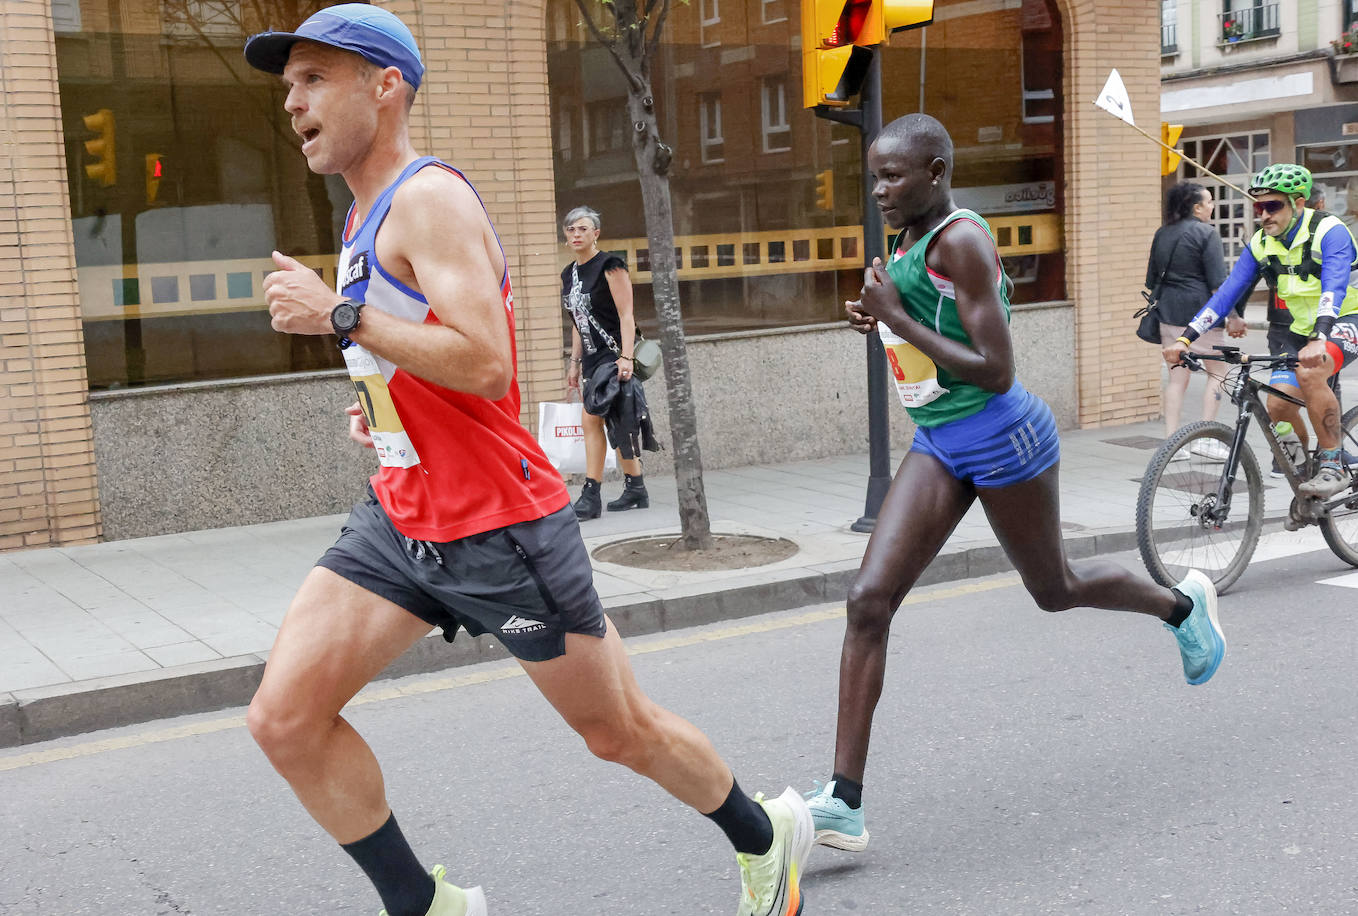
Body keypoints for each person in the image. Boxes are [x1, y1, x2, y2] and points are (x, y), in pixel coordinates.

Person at [241, 7, 812, 916]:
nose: (293, 104)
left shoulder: (428, 198)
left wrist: (341, 316)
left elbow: (487, 362)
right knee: (284, 718)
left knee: (617, 730)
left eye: (313, 80)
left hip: (499, 527)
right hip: (403, 514)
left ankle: (766, 835)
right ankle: (425, 906)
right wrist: (381, 412)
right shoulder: (361, 214)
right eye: (288, 88)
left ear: (385, 87)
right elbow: (426, 365)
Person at [801, 114, 1226, 855]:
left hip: (1004, 437)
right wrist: (884, 323)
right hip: (940, 440)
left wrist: (896, 312)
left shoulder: (961, 239)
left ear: (936, 172)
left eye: (893, 176)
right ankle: (844, 800)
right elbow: (934, 329)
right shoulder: (906, 239)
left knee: (1054, 587)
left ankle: (1183, 607)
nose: (879, 191)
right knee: (868, 601)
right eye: (875, 176)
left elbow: (995, 366)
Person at [1164, 163, 1358, 500]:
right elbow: (1227, 294)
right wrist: (1186, 338)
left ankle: (1332, 465)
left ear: (1299, 203)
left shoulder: (1330, 231)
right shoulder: (1261, 242)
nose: (1263, 215)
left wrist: (1321, 336)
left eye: (1273, 206)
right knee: (1278, 407)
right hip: (1302, 330)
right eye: (1258, 207)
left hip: (1345, 319)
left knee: (1312, 373)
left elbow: (1335, 286)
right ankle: (1304, 480)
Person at [561, 206, 650, 520]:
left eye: (583, 229)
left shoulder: (610, 265)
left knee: (591, 420)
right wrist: (574, 363)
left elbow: (627, 314)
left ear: (595, 233)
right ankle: (636, 486)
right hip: (590, 357)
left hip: (612, 356)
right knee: (616, 420)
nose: (576, 234)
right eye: (571, 229)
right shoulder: (568, 274)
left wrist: (626, 356)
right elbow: (577, 320)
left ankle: (591, 494)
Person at [1144, 182, 1242, 458]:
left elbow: (1151, 278)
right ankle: (1206, 439)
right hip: (1202, 314)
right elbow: (1217, 283)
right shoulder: (1206, 234)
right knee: (1217, 373)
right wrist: (1232, 315)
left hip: (1168, 312)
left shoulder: (1162, 233)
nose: (1212, 206)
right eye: (1209, 201)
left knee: (1177, 378)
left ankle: (1172, 442)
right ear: (1196, 207)